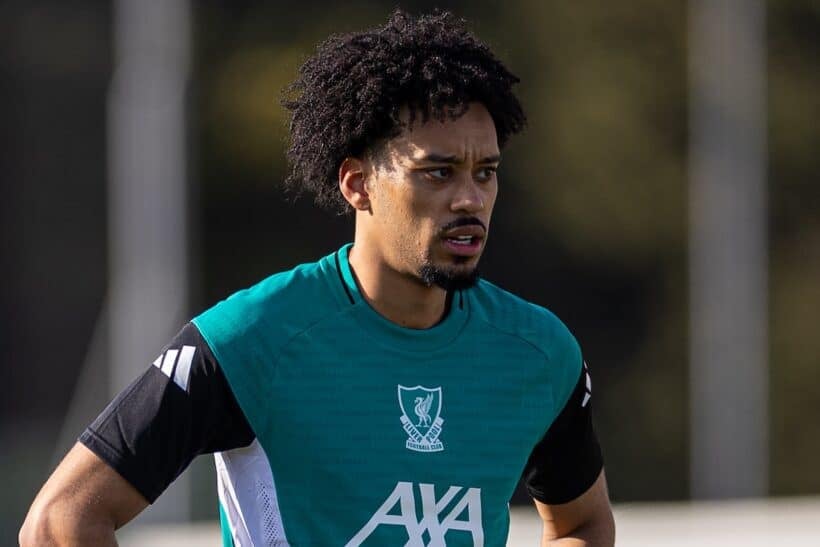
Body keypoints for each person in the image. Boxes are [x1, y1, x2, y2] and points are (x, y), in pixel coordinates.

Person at [20, 9, 614, 547]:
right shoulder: (253, 338)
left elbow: (582, 525)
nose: (469, 198)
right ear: (357, 184)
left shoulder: (540, 352)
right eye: (437, 172)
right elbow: (60, 522)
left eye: (485, 173)